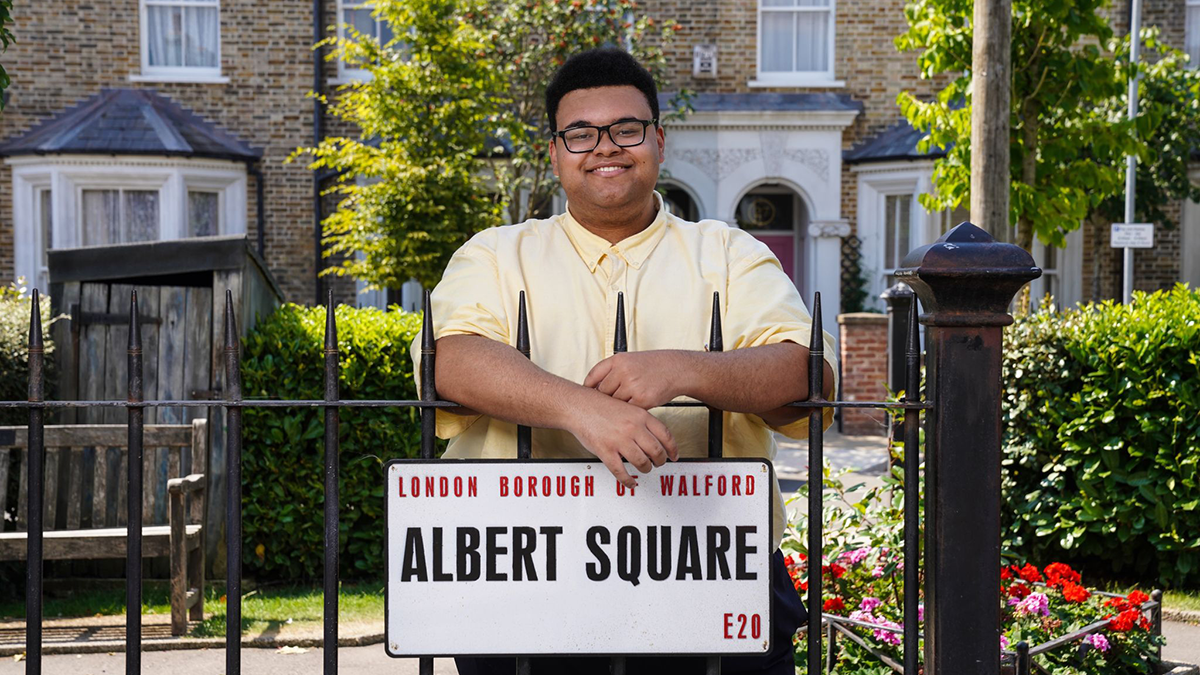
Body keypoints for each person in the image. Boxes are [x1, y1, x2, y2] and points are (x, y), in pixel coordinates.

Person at [411, 47, 837, 675]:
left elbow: (807, 376)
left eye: (627, 129)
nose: (604, 147)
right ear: (554, 153)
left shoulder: (730, 254)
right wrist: (582, 409)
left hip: (709, 568)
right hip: (519, 578)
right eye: (580, 133)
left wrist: (684, 369)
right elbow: (449, 361)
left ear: (659, 142)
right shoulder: (497, 255)